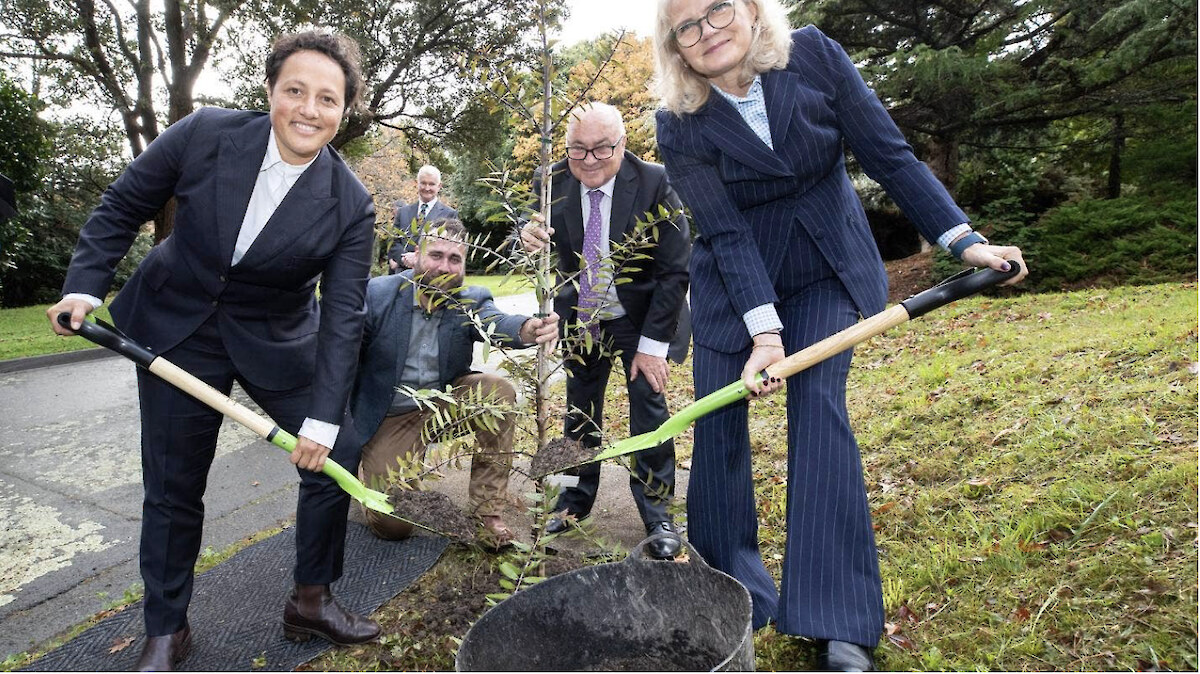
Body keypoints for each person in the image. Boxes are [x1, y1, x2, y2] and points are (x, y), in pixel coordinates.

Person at [651, 1, 1029, 669]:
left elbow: (890, 154)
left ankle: (838, 621)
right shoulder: (677, 121)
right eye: (688, 25)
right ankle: (734, 596)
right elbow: (725, 231)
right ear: (676, 46)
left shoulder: (815, 55)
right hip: (733, 285)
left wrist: (962, 240)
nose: (708, 30)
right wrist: (763, 333)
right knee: (719, 433)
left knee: (819, 408)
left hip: (826, 263)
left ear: (749, 11)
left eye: (718, 10)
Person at [47, 30, 382, 671]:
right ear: (271, 92)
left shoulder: (350, 204)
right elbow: (122, 204)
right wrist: (84, 287)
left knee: (335, 450)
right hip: (176, 325)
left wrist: (321, 415)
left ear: (344, 112)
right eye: (296, 91)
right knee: (174, 487)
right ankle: (167, 630)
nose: (309, 110)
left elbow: (343, 314)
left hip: (273, 337)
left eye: (328, 99)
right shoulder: (205, 134)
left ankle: (311, 598)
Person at [519, 102, 692, 561]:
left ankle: (658, 515)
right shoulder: (552, 181)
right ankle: (573, 503)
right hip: (583, 317)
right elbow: (533, 226)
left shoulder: (656, 182)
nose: (589, 161)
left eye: (601, 150)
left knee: (649, 411)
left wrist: (653, 347)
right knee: (579, 413)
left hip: (641, 317)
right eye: (578, 151)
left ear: (622, 144)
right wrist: (527, 235)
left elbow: (675, 271)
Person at [349, 218, 559, 548]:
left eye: (454, 259)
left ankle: (486, 513)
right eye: (435, 255)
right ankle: (373, 471)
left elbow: (497, 322)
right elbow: (341, 357)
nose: (443, 267)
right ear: (416, 255)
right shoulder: (378, 295)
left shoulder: (469, 299)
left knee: (498, 393)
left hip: (443, 406)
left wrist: (528, 329)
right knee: (395, 524)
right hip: (388, 417)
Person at [388, 165, 458, 273]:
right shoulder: (403, 212)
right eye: (423, 183)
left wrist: (419, 258)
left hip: (433, 277)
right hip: (402, 276)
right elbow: (394, 243)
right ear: (417, 183)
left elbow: (451, 247)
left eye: (431, 184)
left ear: (439, 186)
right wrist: (404, 258)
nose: (427, 188)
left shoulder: (450, 215)